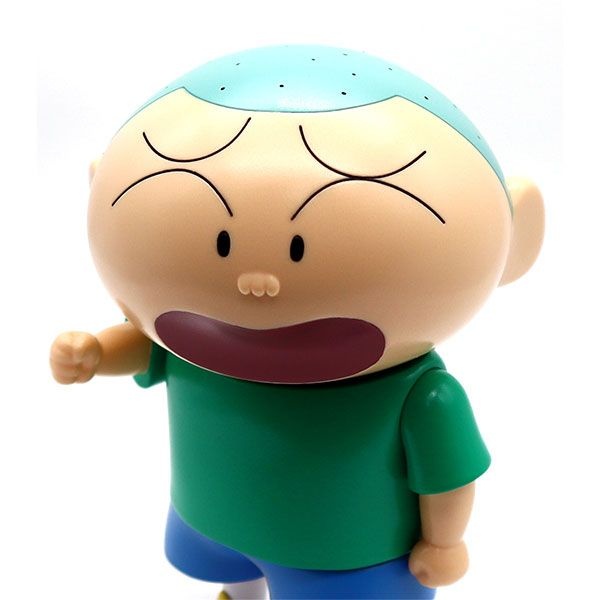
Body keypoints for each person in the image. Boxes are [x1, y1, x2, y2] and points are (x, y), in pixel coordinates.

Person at [50, 45, 544, 599]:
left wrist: (444, 543)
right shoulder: (190, 346)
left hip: (346, 553)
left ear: (515, 242)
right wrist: (96, 353)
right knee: (231, 573)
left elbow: (447, 480)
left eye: (297, 248)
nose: (255, 284)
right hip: (212, 512)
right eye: (223, 245)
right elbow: (145, 347)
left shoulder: (423, 395)